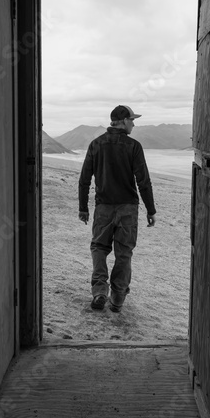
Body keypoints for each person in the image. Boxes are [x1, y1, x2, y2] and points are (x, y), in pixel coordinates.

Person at [78, 104, 157, 313]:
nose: (133, 124)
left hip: (103, 207)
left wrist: (83, 208)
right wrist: (151, 209)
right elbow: (144, 181)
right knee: (124, 253)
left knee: (99, 248)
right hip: (128, 210)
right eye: (131, 120)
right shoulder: (134, 146)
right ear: (122, 121)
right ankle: (118, 298)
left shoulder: (96, 144)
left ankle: (99, 291)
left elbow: (84, 178)